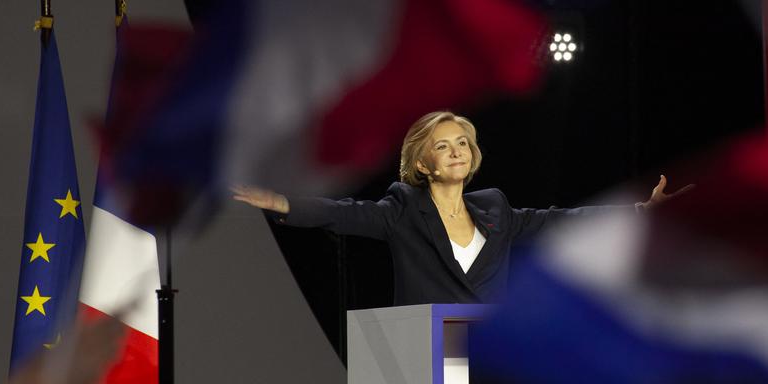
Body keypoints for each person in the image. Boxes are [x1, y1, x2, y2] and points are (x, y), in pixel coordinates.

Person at [232, 111, 687, 305]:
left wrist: (639, 211)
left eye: (463, 143)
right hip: (425, 359)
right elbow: (343, 212)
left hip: (489, 355)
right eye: (443, 146)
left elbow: (559, 221)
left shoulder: (495, 207)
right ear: (423, 163)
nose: (457, 151)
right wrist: (281, 203)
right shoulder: (402, 207)